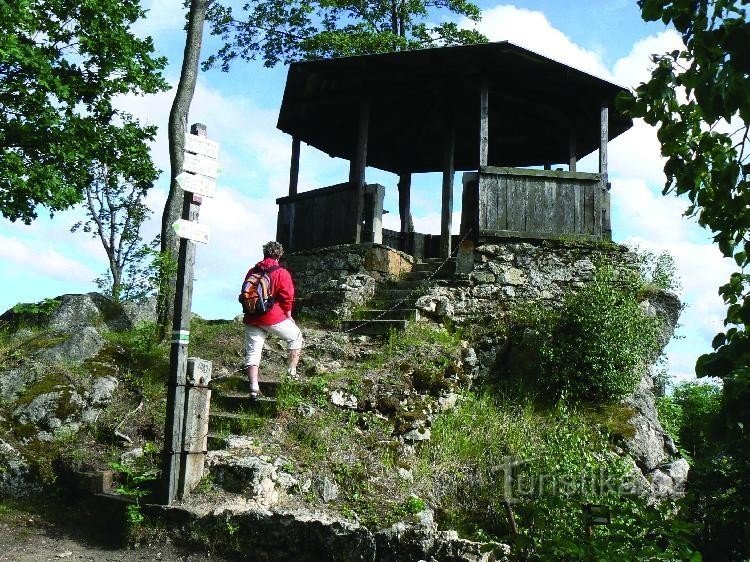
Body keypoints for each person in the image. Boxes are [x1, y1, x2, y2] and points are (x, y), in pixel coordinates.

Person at [242, 241, 303, 398]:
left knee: (253, 352)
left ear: (264, 253)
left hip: (251, 316)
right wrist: (288, 315)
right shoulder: (281, 272)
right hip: (272, 317)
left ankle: (254, 388)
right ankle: (291, 373)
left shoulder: (252, 271)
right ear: (279, 255)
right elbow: (287, 297)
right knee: (296, 336)